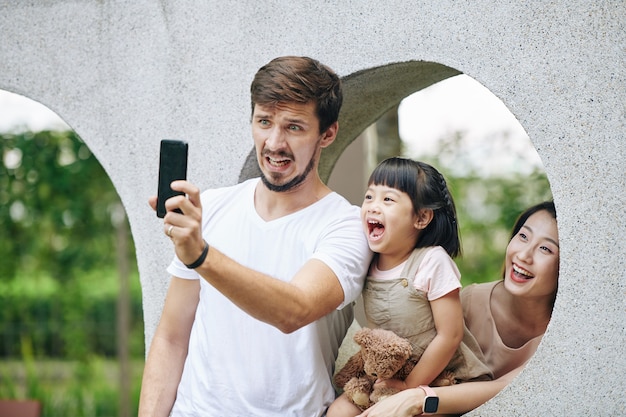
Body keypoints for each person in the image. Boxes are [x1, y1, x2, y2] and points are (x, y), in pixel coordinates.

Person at [138, 56, 372, 417]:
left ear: (327, 133)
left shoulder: (346, 225)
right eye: (264, 122)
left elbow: (294, 310)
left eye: (294, 127)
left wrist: (200, 254)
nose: (274, 143)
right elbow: (171, 337)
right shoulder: (211, 208)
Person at [356, 201, 559, 417]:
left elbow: (508, 389)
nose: (524, 255)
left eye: (545, 249)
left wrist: (418, 398)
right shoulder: (469, 302)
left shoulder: (563, 338)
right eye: (523, 236)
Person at [329, 157, 491, 417]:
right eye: (369, 196)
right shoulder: (368, 260)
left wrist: (408, 386)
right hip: (392, 374)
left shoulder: (431, 261)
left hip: (442, 378)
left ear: (421, 217)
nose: (373, 206)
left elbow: (450, 335)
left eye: (388, 199)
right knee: (339, 410)